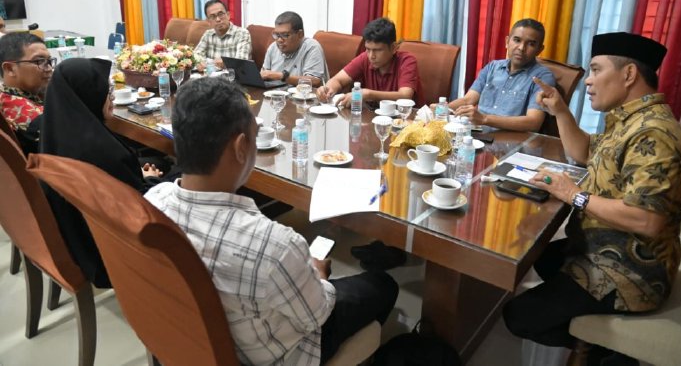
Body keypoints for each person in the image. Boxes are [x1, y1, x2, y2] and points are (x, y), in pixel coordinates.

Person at [145, 77, 398, 365]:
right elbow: (318, 313)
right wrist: (318, 275)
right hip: (275, 354)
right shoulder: (274, 244)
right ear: (241, 147)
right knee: (382, 284)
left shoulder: (153, 203)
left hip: (191, 343)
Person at [502, 32, 681, 365]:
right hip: (601, 245)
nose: (588, 81)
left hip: (632, 271)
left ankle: (607, 349)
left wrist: (574, 195)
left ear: (629, 74)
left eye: (595, 70)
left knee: (518, 316)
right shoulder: (630, 118)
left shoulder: (654, 133)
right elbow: (586, 152)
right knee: (538, 255)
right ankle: (596, 334)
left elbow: (647, 219)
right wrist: (561, 111)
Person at [40, 58, 163, 288]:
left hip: (78, 236)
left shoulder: (58, 128)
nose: (112, 97)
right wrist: (151, 180)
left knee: (156, 160)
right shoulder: (98, 151)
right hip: (109, 253)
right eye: (106, 91)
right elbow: (136, 208)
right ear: (87, 94)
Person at [447, 18, 555, 131]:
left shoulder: (542, 77)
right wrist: (442, 109)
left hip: (508, 138)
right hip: (475, 133)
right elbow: (468, 100)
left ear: (539, 50)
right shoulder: (492, 67)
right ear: (507, 42)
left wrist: (484, 119)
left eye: (531, 44)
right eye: (517, 40)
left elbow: (533, 123)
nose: (521, 48)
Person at [318, 17, 425, 107]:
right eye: (368, 49)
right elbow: (338, 80)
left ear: (393, 48)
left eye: (378, 50)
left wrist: (368, 94)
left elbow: (405, 96)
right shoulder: (365, 58)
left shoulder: (407, 61)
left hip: (407, 120)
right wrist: (327, 89)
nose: (371, 56)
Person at [0, 32, 53, 154]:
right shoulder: (33, 118)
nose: (49, 68)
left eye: (49, 61)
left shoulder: (6, 95)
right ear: (10, 68)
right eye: (39, 61)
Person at [261, 11, 328, 87]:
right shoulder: (273, 47)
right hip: (276, 93)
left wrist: (282, 76)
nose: (279, 40)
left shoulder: (312, 47)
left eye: (285, 35)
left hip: (304, 94)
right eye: (277, 34)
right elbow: (264, 74)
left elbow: (314, 81)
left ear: (300, 34)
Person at [194, 0, 251, 68]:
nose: (218, 19)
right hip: (210, 74)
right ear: (208, 21)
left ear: (228, 15)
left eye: (220, 14)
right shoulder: (208, 34)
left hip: (232, 75)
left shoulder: (242, 33)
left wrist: (209, 63)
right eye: (212, 16)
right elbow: (196, 57)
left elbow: (241, 63)